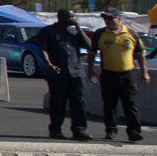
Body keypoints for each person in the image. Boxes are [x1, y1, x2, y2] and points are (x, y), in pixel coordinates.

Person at [35, 8, 93, 141]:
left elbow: (89, 45)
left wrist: (79, 28)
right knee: (58, 103)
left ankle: (79, 131)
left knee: (79, 102)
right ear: (60, 17)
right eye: (69, 17)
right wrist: (49, 64)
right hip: (58, 74)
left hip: (76, 73)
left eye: (73, 17)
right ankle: (55, 130)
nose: (71, 19)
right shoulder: (47, 31)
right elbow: (42, 49)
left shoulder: (74, 31)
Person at [93, 11, 149, 142]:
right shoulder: (100, 34)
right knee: (109, 104)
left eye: (110, 18)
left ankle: (134, 131)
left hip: (127, 75)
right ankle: (111, 130)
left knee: (130, 103)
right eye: (105, 19)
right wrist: (90, 70)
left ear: (119, 19)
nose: (107, 21)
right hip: (108, 74)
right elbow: (91, 53)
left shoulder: (131, 33)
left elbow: (140, 53)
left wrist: (144, 72)